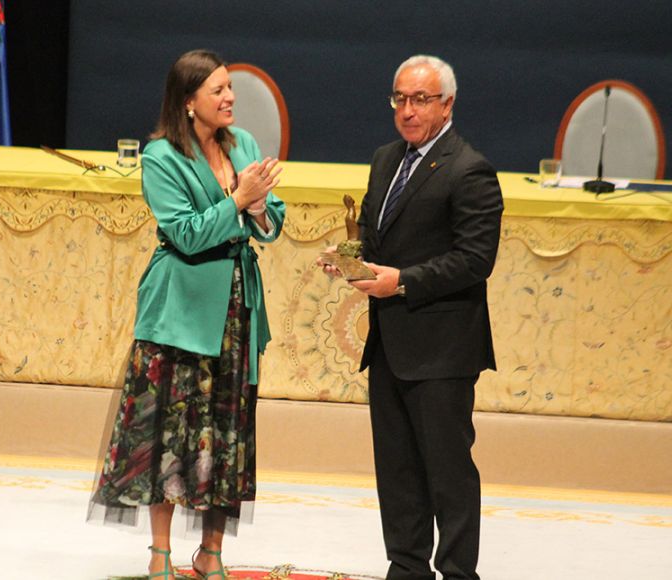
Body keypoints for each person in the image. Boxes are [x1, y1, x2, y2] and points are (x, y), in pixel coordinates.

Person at [88, 49, 285, 580]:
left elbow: (272, 222)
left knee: (226, 428)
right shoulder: (161, 157)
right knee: (169, 430)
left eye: (229, 88)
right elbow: (187, 234)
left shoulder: (241, 143)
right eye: (218, 90)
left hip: (234, 309)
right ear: (188, 102)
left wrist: (261, 205)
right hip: (180, 308)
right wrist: (240, 200)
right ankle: (160, 552)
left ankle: (212, 551)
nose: (230, 97)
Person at [323, 55, 503, 579]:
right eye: (399, 98)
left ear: (447, 104)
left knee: (448, 474)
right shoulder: (386, 159)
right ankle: (405, 568)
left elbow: (475, 260)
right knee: (397, 472)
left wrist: (399, 281)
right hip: (391, 345)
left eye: (420, 99)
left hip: (444, 349)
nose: (407, 109)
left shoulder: (470, 169)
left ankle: (456, 572)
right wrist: (349, 258)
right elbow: (383, 239)